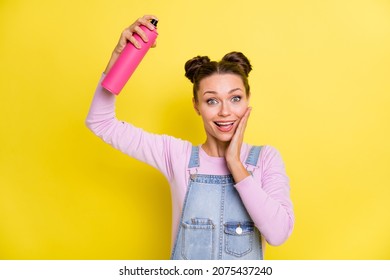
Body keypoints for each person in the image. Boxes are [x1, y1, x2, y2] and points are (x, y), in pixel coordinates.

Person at [86, 15, 294, 260]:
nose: (225, 111)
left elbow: (279, 234)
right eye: (212, 100)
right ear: (196, 105)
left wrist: (235, 163)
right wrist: (119, 59)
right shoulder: (177, 156)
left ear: (247, 100)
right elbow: (100, 122)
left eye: (235, 98)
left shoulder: (266, 159)